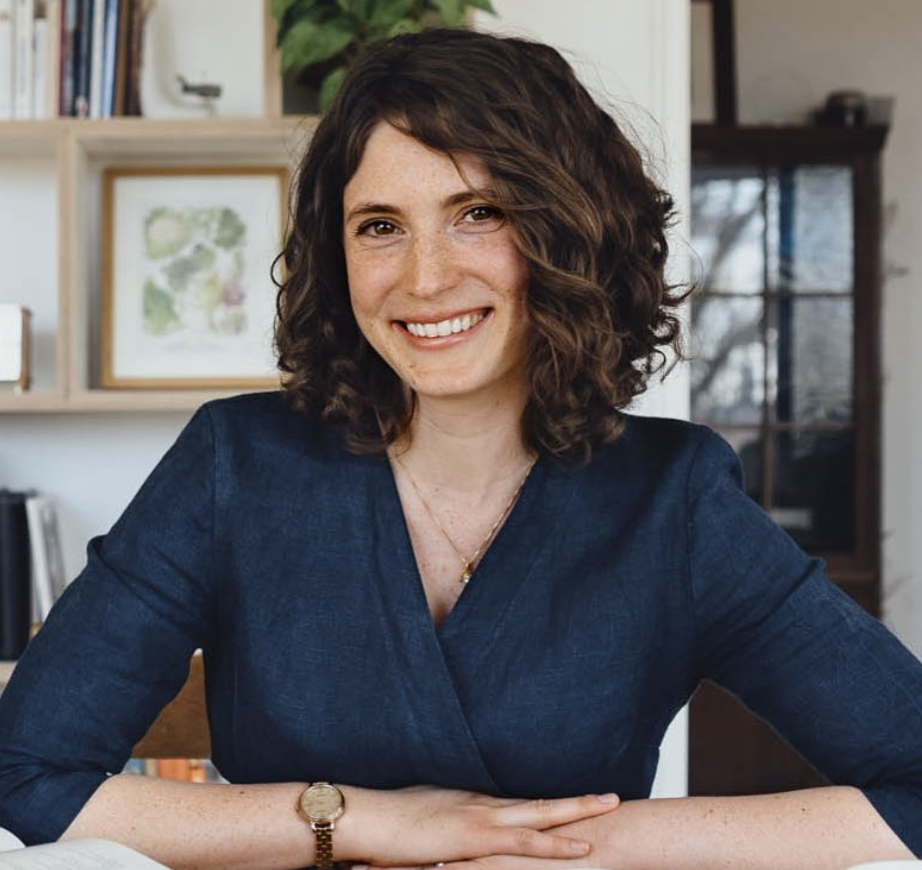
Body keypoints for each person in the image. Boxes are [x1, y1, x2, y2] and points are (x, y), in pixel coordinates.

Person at [1, 26, 921, 870]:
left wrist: (585, 845)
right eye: (380, 226)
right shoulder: (232, 463)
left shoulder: (673, 498)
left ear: (570, 229)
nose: (425, 277)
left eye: (478, 212)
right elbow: (21, 775)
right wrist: (355, 820)